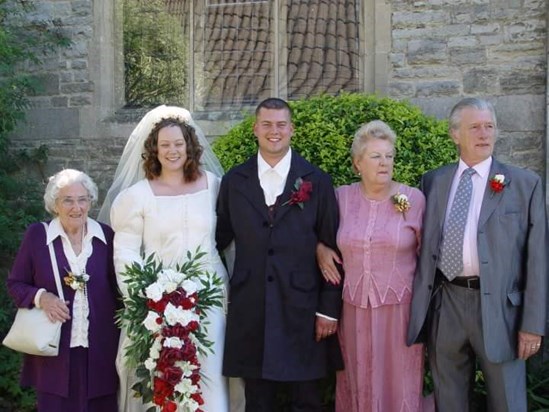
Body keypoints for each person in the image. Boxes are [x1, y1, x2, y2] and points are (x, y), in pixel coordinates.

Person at [407, 97, 548, 411]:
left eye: (489, 126)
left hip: (502, 312)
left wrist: (533, 324)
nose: (484, 134)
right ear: (455, 134)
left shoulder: (525, 184)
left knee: (508, 403)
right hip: (447, 303)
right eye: (475, 127)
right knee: (449, 401)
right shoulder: (433, 182)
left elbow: (538, 260)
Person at [98, 105, 229, 412]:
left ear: (190, 146)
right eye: (165, 145)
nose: (173, 151)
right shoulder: (136, 197)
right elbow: (126, 253)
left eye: (179, 144)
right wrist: (146, 300)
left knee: (210, 375)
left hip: (209, 298)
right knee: (163, 378)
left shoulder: (215, 187)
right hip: (156, 302)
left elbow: (230, 236)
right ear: (154, 150)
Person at [216, 97, 343, 411]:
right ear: (255, 129)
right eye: (267, 124)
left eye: (281, 125)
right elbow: (216, 240)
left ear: (292, 129)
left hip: (303, 309)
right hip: (252, 310)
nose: (275, 131)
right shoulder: (234, 181)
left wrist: (328, 309)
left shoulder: (317, 181)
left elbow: (332, 249)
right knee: (258, 402)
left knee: (308, 401)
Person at [316, 120, 429, 412]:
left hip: (400, 309)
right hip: (353, 308)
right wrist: (320, 249)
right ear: (358, 164)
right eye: (376, 156)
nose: (384, 163)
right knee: (357, 376)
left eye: (389, 156)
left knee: (400, 379)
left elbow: (428, 255)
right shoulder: (341, 198)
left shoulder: (412, 199)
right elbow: (315, 232)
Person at [7, 169, 120, 411]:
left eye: (82, 199)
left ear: (91, 201)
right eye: (67, 200)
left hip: (101, 351)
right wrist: (42, 297)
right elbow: (15, 283)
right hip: (55, 354)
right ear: (54, 204)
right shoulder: (38, 235)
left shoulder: (107, 237)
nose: (76, 207)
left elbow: (119, 291)